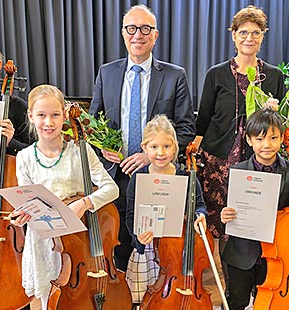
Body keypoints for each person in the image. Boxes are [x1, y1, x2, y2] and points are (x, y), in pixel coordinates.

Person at [89, 4, 195, 271]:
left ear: (155, 35)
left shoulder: (175, 76)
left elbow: (186, 130)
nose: (138, 34)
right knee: (121, 244)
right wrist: (103, 148)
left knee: (156, 250)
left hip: (157, 176)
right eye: (132, 28)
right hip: (115, 175)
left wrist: (148, 155)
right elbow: (90, 126)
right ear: (123, 33)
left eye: (145, 28)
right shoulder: (107, 72)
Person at [11, 84, 119, 309]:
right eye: (41, 115)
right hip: (44, 243)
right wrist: (24, 214)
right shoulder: (24, 157)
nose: (48, 122)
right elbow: (30, 202)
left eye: (55, 115)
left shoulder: (81, 150)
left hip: (81, 241)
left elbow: (112, 188)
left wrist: (84, 203)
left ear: (64, 116)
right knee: (50, 300)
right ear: (31, 116)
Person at [194, 5, 286, 240]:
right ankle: (226, 270)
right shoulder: (216, 73)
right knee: (223, 219)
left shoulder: (274, 75)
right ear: (234, 35)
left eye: (256, 32)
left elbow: (280, 120)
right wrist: (195, 145)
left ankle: (250, 271)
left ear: (262, 37)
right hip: (219, 159)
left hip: (259, 157)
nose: (249, 38)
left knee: (253, 218)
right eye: (243, 32)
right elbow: (204, 116)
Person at [220, 108, 289, 310]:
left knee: (268, 303)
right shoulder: (236, 172)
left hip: (277, 253)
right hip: (242, 252)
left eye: (273, 138)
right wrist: (225, 214)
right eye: (259, 139)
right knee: (236, 302)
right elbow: (228, 208)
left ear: (283, 138)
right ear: (249, 140)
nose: (266, 145)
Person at [124, 114, 207, 305]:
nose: (160, 152)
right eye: (154, 147)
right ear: (144, 148)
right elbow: (130, 216)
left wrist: (200, 215)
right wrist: (138, 237)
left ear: (175, 147)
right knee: (143, 298)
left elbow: (199, 205)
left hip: (176, 249)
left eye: (166, 146)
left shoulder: (187, 177)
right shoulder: (137, 179)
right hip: (147, 248)